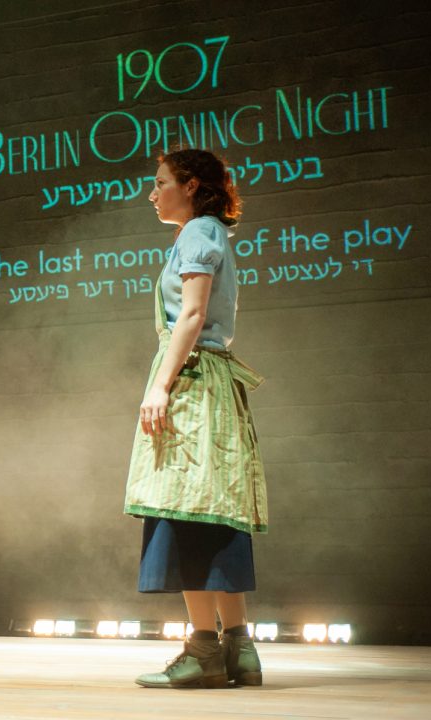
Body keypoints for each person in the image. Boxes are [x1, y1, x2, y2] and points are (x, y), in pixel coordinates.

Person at [122, 148, 267, 689]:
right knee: (214, 510)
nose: (152, 192)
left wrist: (160, 384)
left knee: (187, 511)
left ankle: (204, 650)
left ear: (191, 184)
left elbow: (192, 313)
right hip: (211, 380)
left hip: (193, 381)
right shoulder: (209, 232)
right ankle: (239, 649)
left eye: (161, 182)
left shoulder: (197, 232)